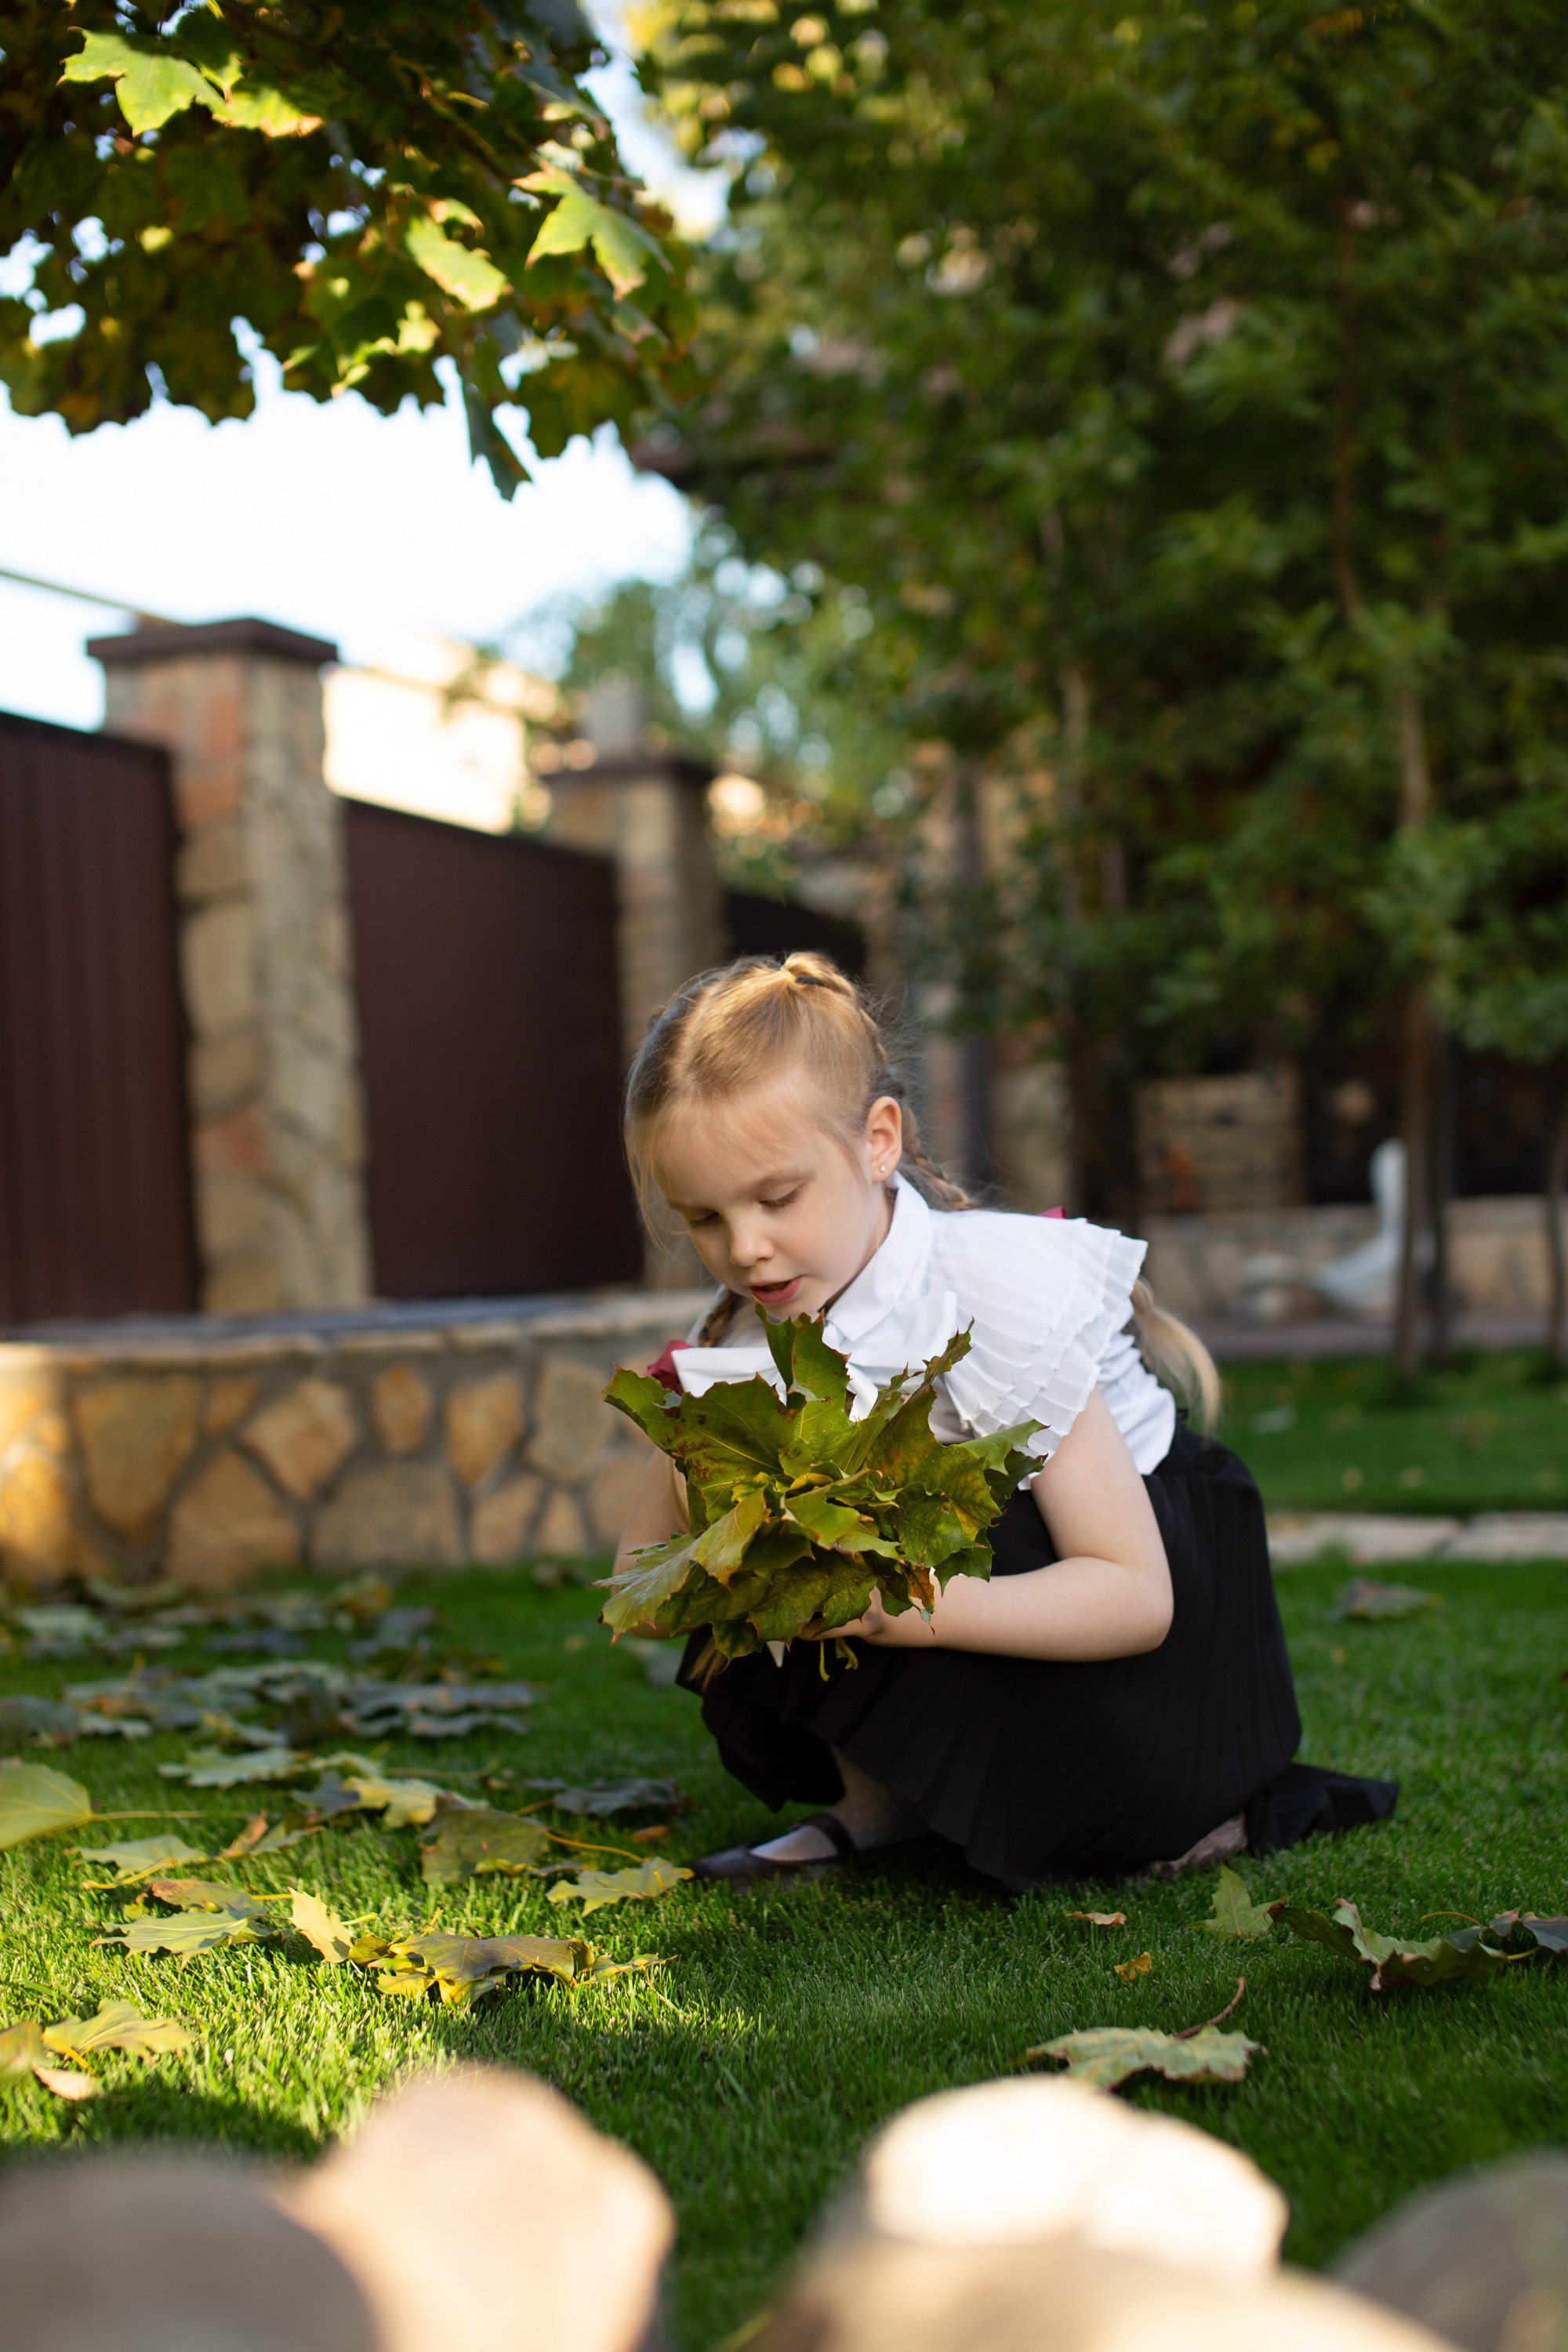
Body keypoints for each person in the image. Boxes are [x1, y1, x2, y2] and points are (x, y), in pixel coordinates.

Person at [612, 953, 1394, 1893]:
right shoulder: (750, 1319)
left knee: (897, 1527)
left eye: (777, 1198)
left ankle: (1172, 1810)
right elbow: (643, 1600)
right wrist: (692, 1443)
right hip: (990, 1590)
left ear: (876, 1141)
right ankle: (881, 1813)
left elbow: (1134, 1597)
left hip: (1140, 1617)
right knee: (799, 1528)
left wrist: (896, 1611)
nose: (744, 1249)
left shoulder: (985, 1299)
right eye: (703, 1217)